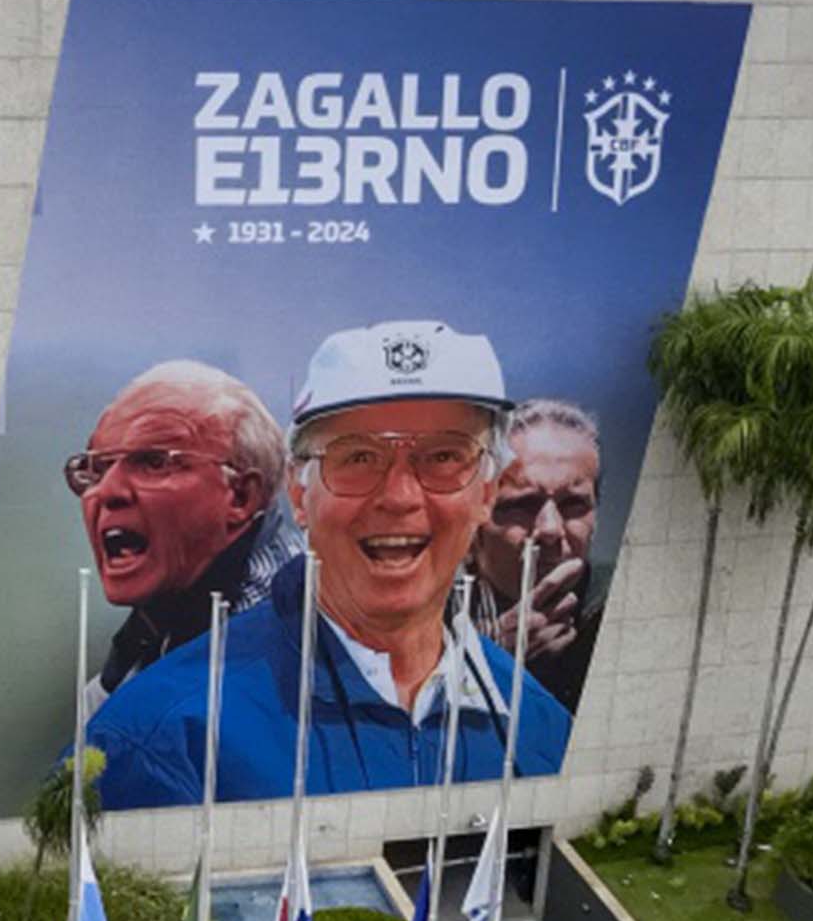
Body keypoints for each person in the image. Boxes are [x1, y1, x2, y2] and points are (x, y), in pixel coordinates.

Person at [84, 321, 571, 810]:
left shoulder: (539, 725)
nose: (399, 497)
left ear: (487, 492)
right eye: (358, 456)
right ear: (299, 493)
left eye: (444, 456)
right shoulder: (158, 740)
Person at [64, 361, 298, 711]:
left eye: (155, 462)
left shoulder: (299, 655)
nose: (105, 491)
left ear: (240, 497)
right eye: (97, 468)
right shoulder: (142, 651)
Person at [469, 399, 604, 714]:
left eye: (573, 505)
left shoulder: (624, 607)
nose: (551, 529)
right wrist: (487, 656)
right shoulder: (417, 618)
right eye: (523, 505)